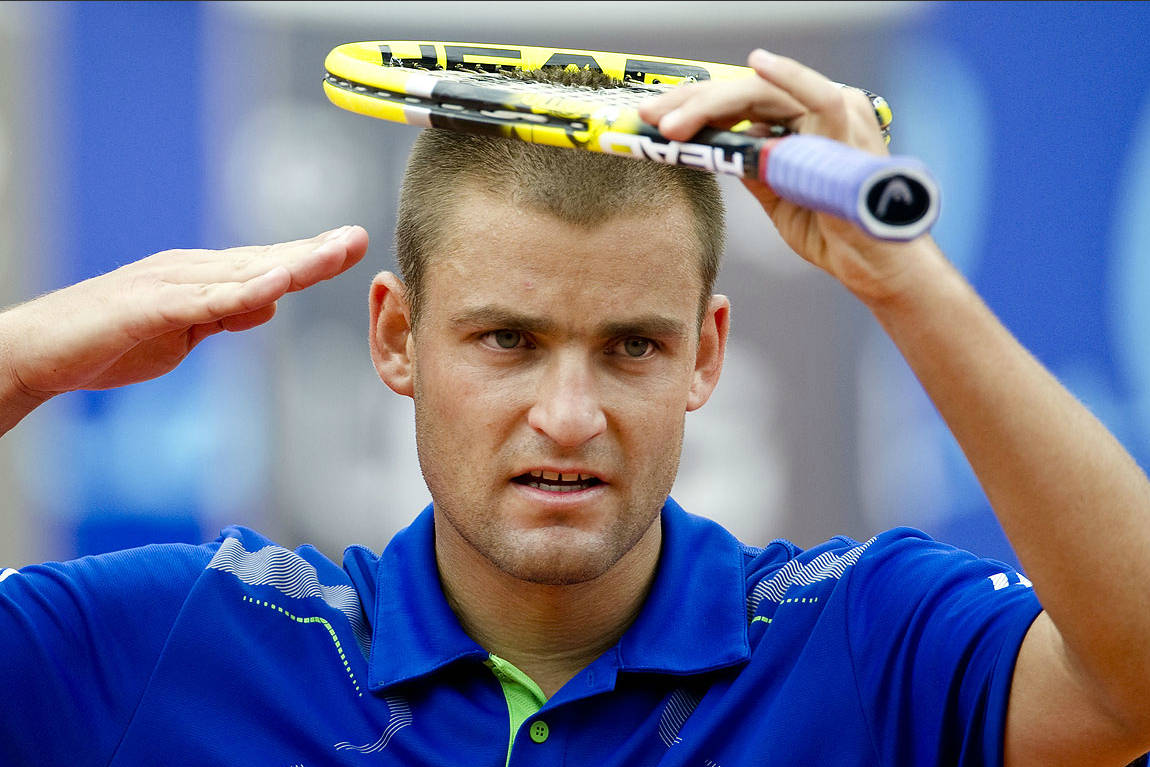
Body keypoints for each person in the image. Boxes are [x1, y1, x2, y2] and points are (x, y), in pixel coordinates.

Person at [1, 48, 1148, 767]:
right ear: (396, 338)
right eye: (507, 340)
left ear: (704, 355)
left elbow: (1128, 682)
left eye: (631, 347)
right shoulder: (168, 640)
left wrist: (904, 277)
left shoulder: (864, 635)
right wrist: (12, 364)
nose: (568, 414)